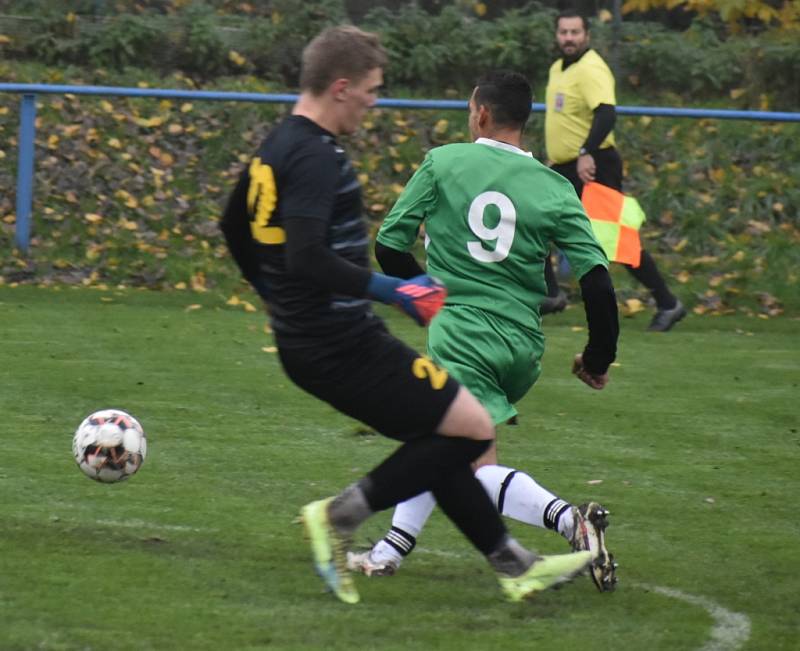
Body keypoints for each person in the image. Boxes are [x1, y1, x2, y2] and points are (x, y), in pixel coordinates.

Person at [219, 26, 591, 605]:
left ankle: (515, 565)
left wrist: (276, 300)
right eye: (371, 89)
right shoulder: (317, 157)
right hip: (339, 342)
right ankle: (340, 517)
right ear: (341, 87)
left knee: (439, 436)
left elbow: (231, 225)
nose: (375, 100)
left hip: (313, 339)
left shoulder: (278, 144)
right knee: (471, 427)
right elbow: (308, 256)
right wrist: (396, 290)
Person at [347, 70, 618, 593]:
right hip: (521, 345)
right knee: (437, 440)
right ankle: (387, 553)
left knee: (465, 463)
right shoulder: (556, 188)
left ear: (481, 114)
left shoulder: (445, 162)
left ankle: (570, 521)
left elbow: (389, 245)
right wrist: (598, 357)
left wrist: (430, 294)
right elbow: (599, 282)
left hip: (461, 333)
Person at [541, 10, 686, 332]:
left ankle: (668, 303)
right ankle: (551, 295)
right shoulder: (558, 68)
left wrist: (584, 152)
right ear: (557, 35)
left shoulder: (592, 68)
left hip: (594, 165)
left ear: (587, 35)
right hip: (565, 167)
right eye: (563, 32)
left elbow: (606, 114)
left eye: (575, 32)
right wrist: (558, 159)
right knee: (536, 224)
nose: (568, 38)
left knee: (615, 240)